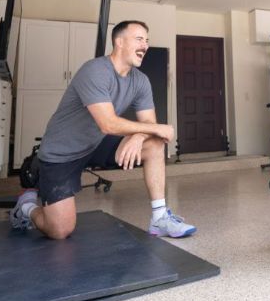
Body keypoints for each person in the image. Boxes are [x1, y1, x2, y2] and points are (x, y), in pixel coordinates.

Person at [10, 20, 196, 239]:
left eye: (147, 40)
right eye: (139, 39)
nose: (145, 45)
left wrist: (138, 136)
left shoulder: (141, 81)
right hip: (61, 152)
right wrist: (147, 130)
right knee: (60, 230)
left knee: (154, 144)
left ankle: (160, 218)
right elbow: (107, 123)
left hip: (96, 143)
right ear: (119, 42)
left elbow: (150, 123)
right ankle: (26, 207)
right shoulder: (95, 70)